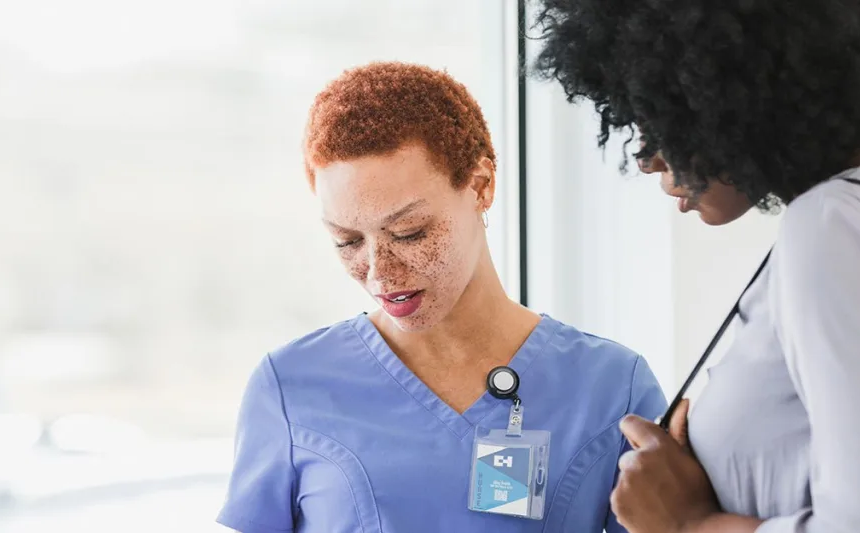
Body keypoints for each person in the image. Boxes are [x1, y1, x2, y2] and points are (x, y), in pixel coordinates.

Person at [216, 61, 666, 533]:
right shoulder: (289, 387)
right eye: (347, 241)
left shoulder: (613, 388)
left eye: (409, 232)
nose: (378, 271)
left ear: (480, 186)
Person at [531, 0, 860, 532]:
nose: (647, 157)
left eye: (657, 112)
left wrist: (687, 522)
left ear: (729, 91)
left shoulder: (834, 223)